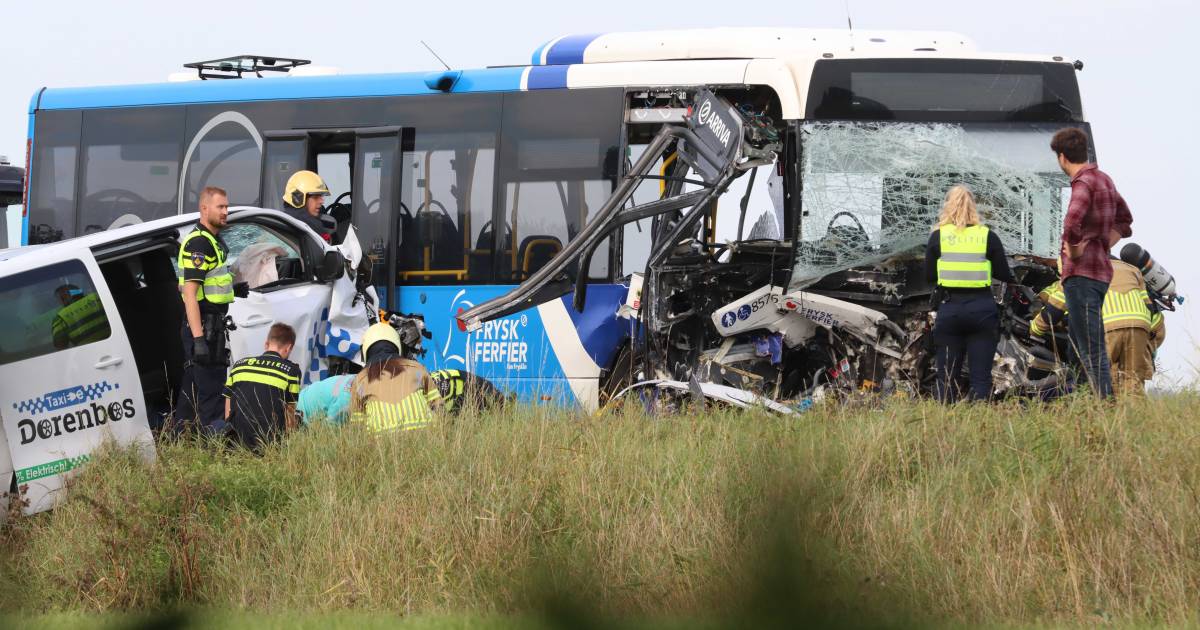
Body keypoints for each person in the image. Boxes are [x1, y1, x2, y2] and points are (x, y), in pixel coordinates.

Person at [1051, 127, 1133, 398]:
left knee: (1091, 347)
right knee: (1077, 347)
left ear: (1062, 157)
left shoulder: (1083, 183)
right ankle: (1082, 404)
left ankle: (1104, 407)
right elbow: (1125, 220)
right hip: (1099, 275)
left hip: (1082, 275)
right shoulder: (1104, 180)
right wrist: (1105, 242)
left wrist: (1074, 250)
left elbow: (1072, 222)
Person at [924, 185, 1014, 403]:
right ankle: (979, 428)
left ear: (947, 206)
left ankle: (945, 426)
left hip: (950, 309)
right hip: (982, 310)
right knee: (980, 379)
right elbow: (1004, 274)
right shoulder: (987, 236)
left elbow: (929, 276)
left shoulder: (938, 237)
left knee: (945, 379)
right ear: (974, 208)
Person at [176, 186, 235, 434]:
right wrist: (199, 339)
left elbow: (211, 283)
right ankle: (213, 442)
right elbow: (189, 294)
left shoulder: (213, 240)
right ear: (204, 208)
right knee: (212, 392)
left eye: (226, 207)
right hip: (204, 329)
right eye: (220, 207)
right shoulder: (199, 243)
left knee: (192, 391)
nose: (225, 211)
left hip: (213, 326)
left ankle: (180, 438)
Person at [348, 322, 442, 432]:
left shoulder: (360, 380)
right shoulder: (417, 368)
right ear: (397, 346)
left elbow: (357, 428)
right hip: (426, 436)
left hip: (380, 443)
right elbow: (439, 407)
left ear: (365, 351)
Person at [224, 323, 301, 451]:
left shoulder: (239, 365)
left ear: (266, 344)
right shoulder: (292, 371)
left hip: (236, 442)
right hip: (269, 445)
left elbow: (228, 403)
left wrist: (228, 433)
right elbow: (290, 416)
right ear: (288, 348)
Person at [281, 170, 335, 242]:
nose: (321, 201)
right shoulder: (305, 228)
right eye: (315, 197)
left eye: (321, 196)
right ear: (297, 198)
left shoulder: (289, 222)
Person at [50, 284, 109, 349]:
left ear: (63, 298)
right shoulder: (97, 297)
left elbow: (60, 345)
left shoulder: (60, 318)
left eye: (59, 299)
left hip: (87, 352)